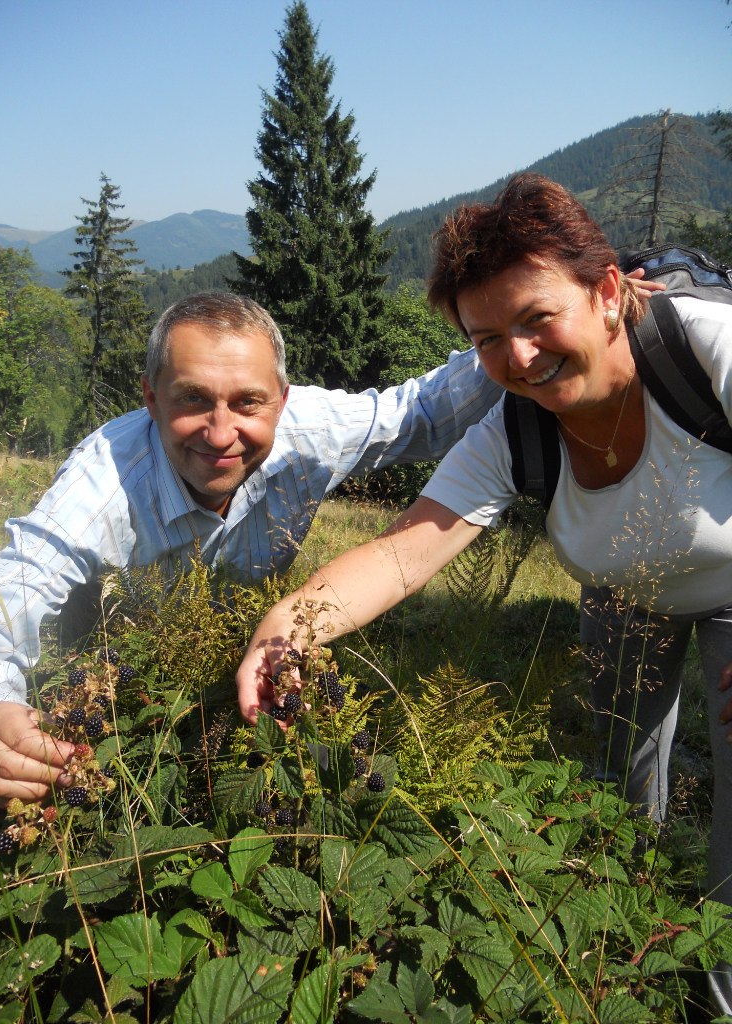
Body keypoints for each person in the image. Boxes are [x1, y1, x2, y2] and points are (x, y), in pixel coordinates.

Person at [236, 174, 732, 1015]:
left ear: (607, 291)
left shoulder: (707, 351)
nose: (521, 357)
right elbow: (401, 555)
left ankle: (718, 995)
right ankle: (622, 931)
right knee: (620, 773)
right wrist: (289, 626)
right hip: (623, 594)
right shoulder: (514, 428)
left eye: (539, 318)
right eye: (489, 337)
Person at [0, 291, 507, 809]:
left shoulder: (310, 429)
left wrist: (517, 340)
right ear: (151, 398)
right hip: (120, 703)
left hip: (254, 679)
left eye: (248, 401)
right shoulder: (103, 487)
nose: (221, 434)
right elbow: (1, 601)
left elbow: (424, 413)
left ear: (283, 400)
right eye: (192, 399)